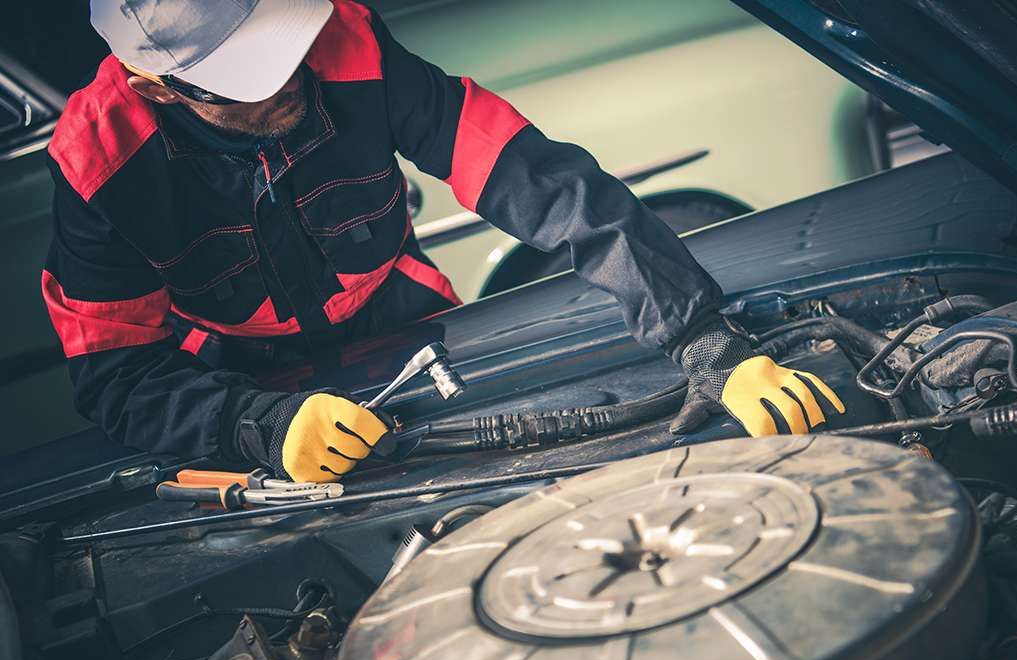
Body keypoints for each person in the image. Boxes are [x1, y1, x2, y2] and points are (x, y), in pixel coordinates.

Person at [42, 0, 843, 482]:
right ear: (156, 87)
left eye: (280, 45)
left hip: (405, 328)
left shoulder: (346, 44)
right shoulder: (99, 165)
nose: (289, 79)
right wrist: (257, 426)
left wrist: (706, 342)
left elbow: (544, 183)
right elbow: (117, 377)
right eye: (250, 78)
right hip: (238, 377)